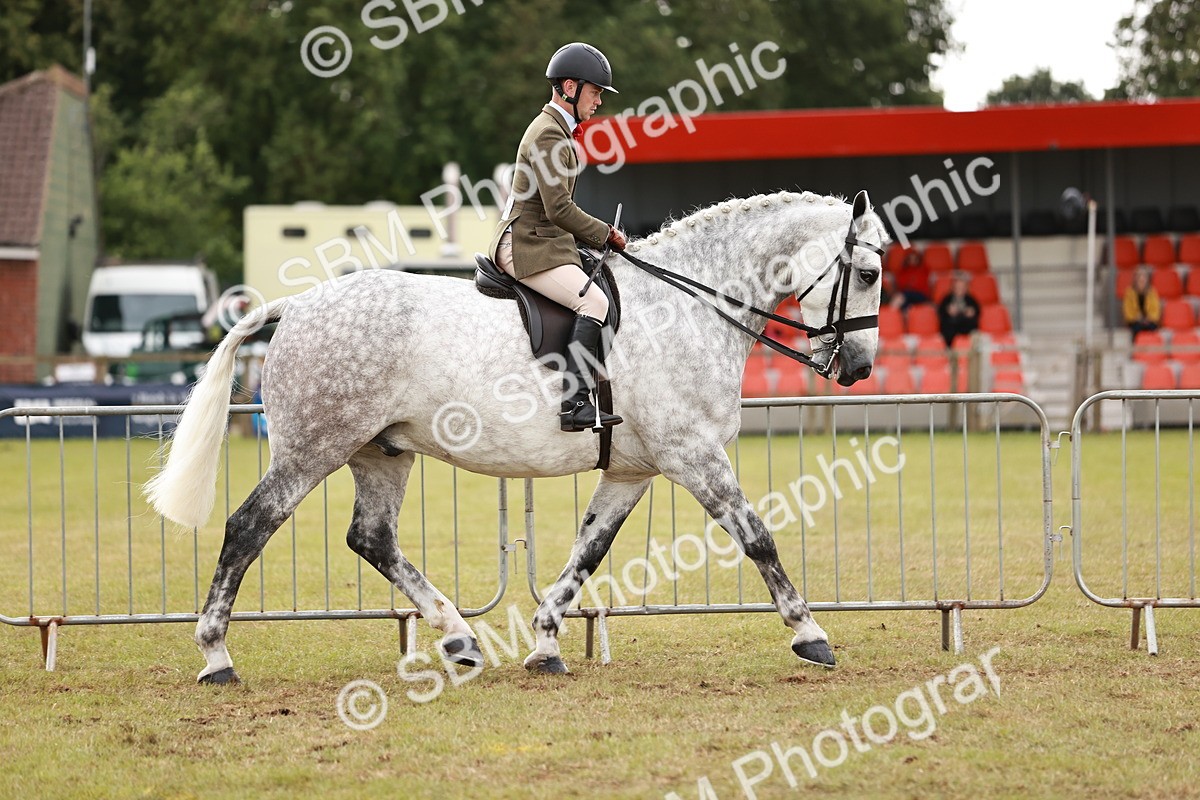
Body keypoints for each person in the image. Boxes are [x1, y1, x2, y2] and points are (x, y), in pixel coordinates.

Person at [488, 42, 627, 433]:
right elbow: (559, 210)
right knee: (594, 303)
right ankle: (575, 404)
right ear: (570, 87)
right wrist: (606, 234)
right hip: (525, 244)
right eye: (596, 92)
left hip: (541, 239)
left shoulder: (558, 131)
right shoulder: (549, 135)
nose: (599, 101)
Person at [937, 272, 981, 347]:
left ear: (966, 288)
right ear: (953, 288)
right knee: (947, 328)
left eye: (962, 287)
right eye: (958, 287)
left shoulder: (971, 299)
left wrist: (972, 312)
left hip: (967, 326)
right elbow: (941, 312)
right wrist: (948, 311)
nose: (960, 289)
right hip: (951, 327)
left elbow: (977, 311)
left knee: (975, 332)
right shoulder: (946, 299)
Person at [1123, 267, 1161, 341]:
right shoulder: (1129, 292)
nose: (1142, 280)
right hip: (1135, 321)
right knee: (1137, 328)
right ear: (1135, 280)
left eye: (1144, 278)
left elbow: (1156, 310)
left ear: (1147, 280)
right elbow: (1127, 311)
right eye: (1139, 278)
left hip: (1149, 321)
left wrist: (1149, 318)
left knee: (1152, 327)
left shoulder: (1152, 292)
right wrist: (1136, 317)